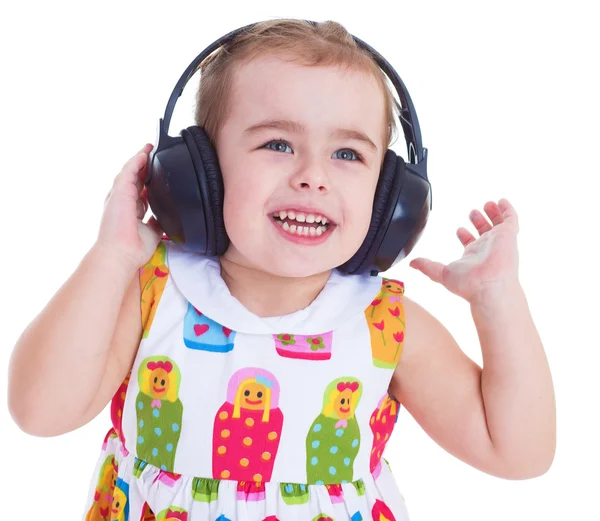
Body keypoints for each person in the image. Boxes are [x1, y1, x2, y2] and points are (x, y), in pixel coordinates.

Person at [7, 18, 556, 521]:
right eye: (278, 143)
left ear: (392, 198)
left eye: (348, 154)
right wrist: (112, 257)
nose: (313, 176)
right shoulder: (152, 297)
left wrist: (497, 299)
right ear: (200, 174)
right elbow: (40, 411)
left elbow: (518, 452)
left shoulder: (385, 325)